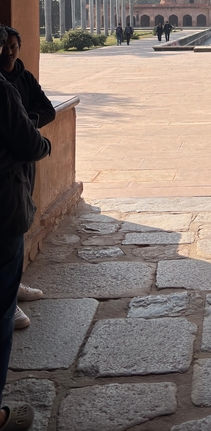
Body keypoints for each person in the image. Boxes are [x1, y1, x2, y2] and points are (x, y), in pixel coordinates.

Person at [0, 24, 51, 430]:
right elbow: (32, 142)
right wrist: (36, 136)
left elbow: (45, 109)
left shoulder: (18, 80)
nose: (9, 53)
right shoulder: (2, 89)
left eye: (14, 47)